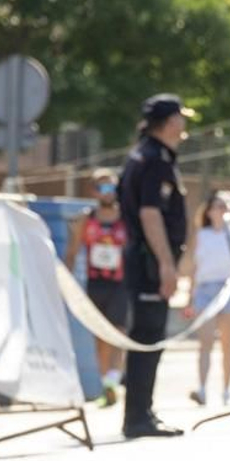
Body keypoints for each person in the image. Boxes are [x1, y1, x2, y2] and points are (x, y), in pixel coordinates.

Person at [117, 94, 194, 439]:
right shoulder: (155, 160)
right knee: (148, 336)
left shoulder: (144, 155)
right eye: (180, 119)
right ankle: (137, 417)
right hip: (149, 262)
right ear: (169, 122)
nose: (184, 125)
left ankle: (141, 412)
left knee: (147, 336)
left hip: (144, 259)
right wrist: (166, 264)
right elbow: (150, 214)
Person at [64, 168, 129, 406]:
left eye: (112, 187)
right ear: (94, 191)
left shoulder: (125, 218)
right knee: (100, 336)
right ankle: (106, 385)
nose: (108, 193)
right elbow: (72, 253)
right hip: (95, 283)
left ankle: (114, 377)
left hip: (120, 283)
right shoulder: (86, 219)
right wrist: (66, 284)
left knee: (119, 332)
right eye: (103, 188)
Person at [182, 192, 230, 408]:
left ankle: (227, 390)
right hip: (205, 291)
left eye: (224, 207)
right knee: (205, 342)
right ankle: (202, 389)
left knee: (228, 344)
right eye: (217, 206)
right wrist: (190, 297)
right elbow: (194, 267)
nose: (221, 210)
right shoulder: (201, 234)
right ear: (209, 211)